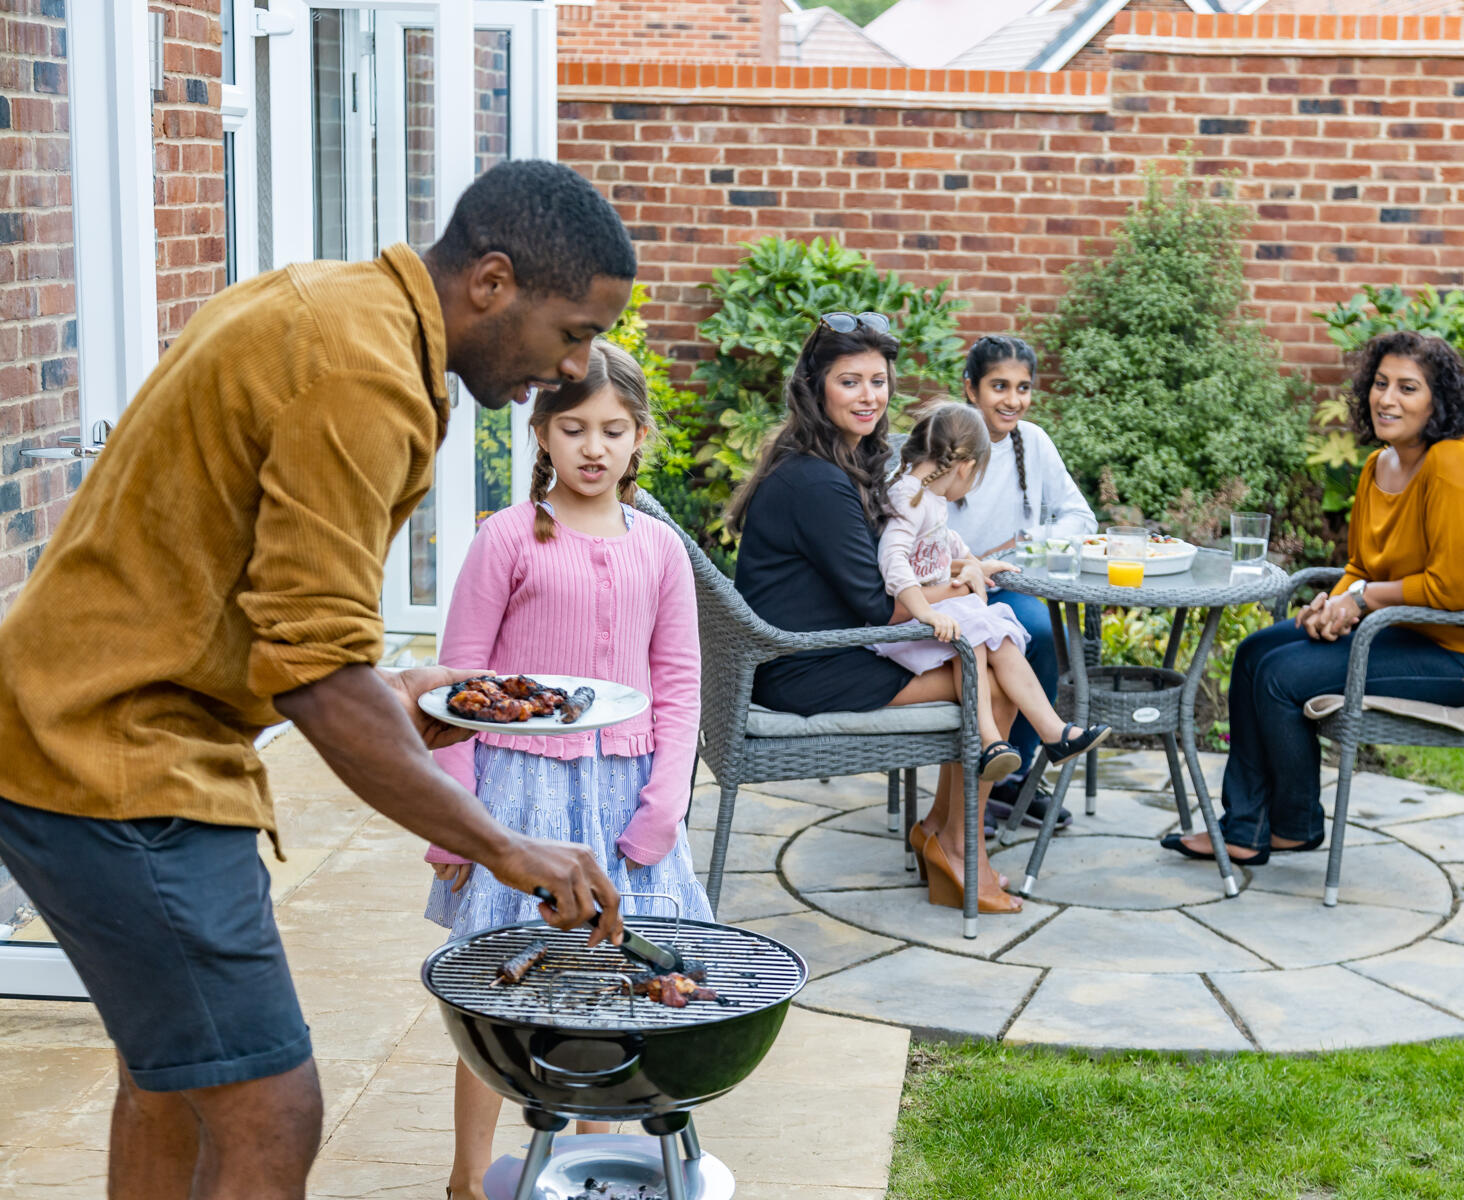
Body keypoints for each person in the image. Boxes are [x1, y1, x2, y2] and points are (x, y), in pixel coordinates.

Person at [0, 160, 635, 1200]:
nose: (575, 370)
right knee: (270, 1110)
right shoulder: (365, 374)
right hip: (117, 760)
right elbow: (311, 676)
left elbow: (254, 598)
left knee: (172, 1080)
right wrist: (506, 848)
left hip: (65, 718)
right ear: (491, 281)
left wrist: (392, 692)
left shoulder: (325, 302)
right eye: (570, 332)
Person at [424, 339, 709, 1200]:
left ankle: (588, 1165)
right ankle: (468, 1177)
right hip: (519, 798)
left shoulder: (660, 551)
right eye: (574, 428)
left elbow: (680, 683)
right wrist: (459, 821)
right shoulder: (506, 540)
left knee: (613, 988)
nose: (594, 447)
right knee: (497, 987)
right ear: (540, 433)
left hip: (625, 795)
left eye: (613, 430)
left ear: (639, 438)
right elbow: (456, 688)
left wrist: (666, 800)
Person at [726, 314, 1071, 914]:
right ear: (816, 386)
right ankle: (959, 848)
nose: (869, 397)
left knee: (988, 663)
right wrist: (957, 582)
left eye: (878, 381)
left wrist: (954, 576)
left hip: (820, 645)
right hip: (804, 665)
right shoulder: (818, 481)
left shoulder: (833, 458)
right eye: (850, 381)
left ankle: (944, 832)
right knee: (993, 687)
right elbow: (876, 605)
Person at [1163, 329, 1464, 867]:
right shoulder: (1380, 465)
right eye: (1381, 384)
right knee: (1256, 653)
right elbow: (1361, 566)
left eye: (1408, 388)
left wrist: (1361, 602)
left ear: (1438, 401)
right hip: (1409, 628)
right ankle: (1252, 825)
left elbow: (1456, 588)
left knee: (1281, 677)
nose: (1387, 399)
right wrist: (1332, 603)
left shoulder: (1454, 464)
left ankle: (1287, 825)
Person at [873, 401, 1110, 787]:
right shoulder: (906, 498)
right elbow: (894, 560)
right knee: (979, 634)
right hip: (908, 629)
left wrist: (974, 565)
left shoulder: (926, 496)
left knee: (1000, 638)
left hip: (940, 620)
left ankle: (1054, 732)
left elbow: (942, 541)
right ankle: (988, 741)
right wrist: (927, 612)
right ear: (965, 466)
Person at [945, 335, 1096, 829]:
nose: (1013, 399)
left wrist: (1026, 545)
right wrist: (968, 563)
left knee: (1042, 630)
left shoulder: (1033, 442)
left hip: (1010, 582)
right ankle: (985, 777)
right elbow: (917, 524)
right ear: (971, 388)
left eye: (1023, 387)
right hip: (953, 590)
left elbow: (1080, 517)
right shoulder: (947, 440)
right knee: (1011, 636)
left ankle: (1016, 776)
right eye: (999, 386)